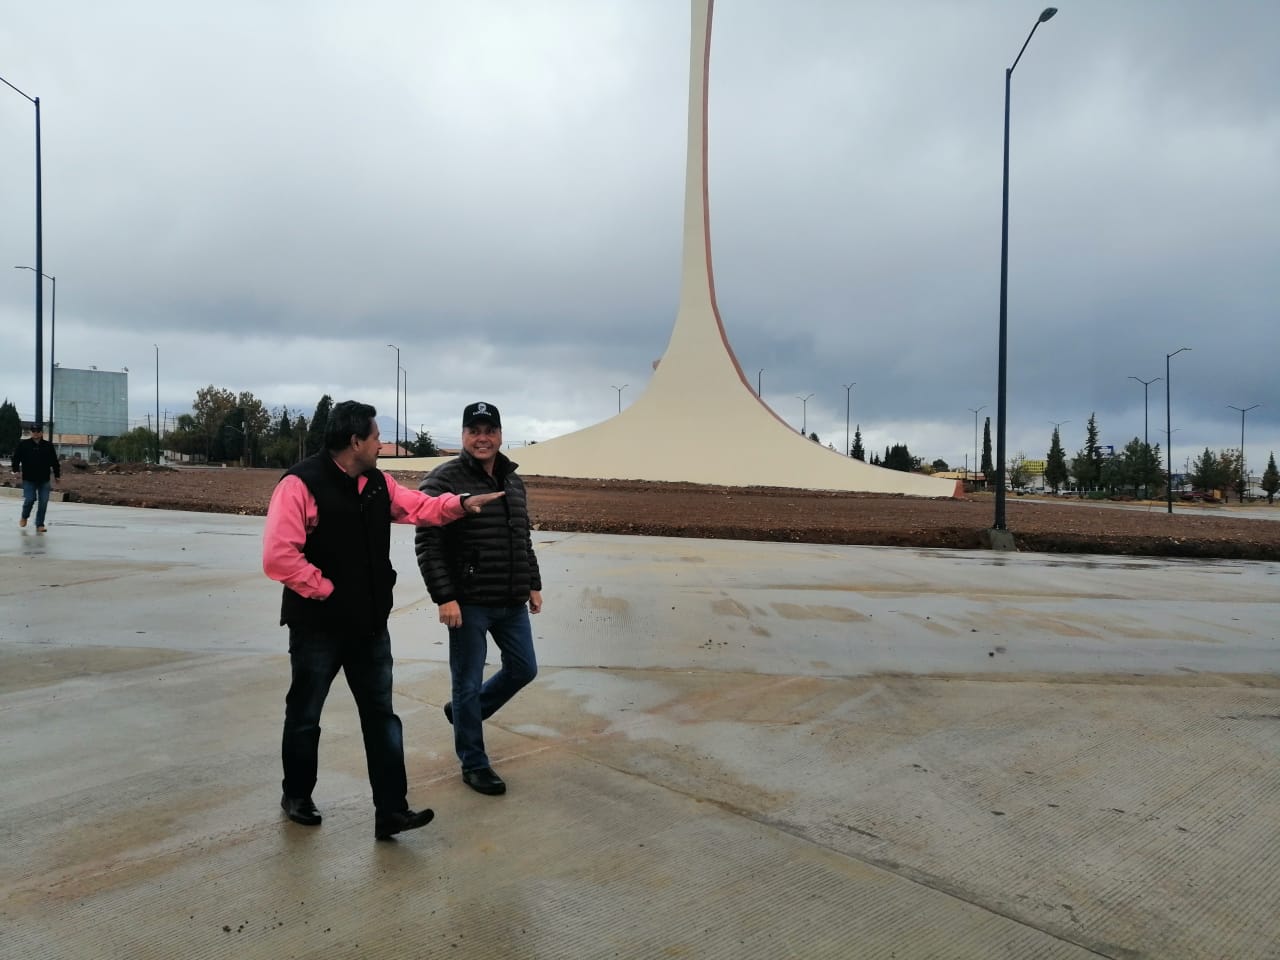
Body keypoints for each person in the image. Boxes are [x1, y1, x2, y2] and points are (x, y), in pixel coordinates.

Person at [262, 400, 504, 840]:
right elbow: (279, 557)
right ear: (356, 441)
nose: (381, 444)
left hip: (369, 627)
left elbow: (420, 507)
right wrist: (330, 592)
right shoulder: (300, 484)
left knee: (382, 717)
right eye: (376, 437)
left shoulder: (378, 483)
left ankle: (391, 810)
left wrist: (461, 504)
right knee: (305, 714)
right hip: (317, 627)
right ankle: (296, 795)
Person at [414, 402, 541, 797]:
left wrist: (533, 582)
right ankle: (474, 763)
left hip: (511, 599)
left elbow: (521, 536)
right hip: (468, 602)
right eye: (474, 431)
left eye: (489, 430)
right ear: (463, 435)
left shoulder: (512, 479)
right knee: (466, 682)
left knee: (524, 668)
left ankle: (463, 713)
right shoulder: (444, 479)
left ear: (500, 435)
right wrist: (444, 597)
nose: (482, 438)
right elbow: (428, 543)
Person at [12, 423, 60, 533]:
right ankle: (24, 516)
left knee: (43, 502)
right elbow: (16, 458)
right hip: (29, 478)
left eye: (38, 431)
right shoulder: (24, 444)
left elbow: (54, 461)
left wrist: (57, 475)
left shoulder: (48, 445)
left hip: (44, 479)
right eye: (33, 431)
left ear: (41, 433)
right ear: (31, 432)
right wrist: (16, 470)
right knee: (30, 499)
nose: (36, 433)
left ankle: (39, 524)